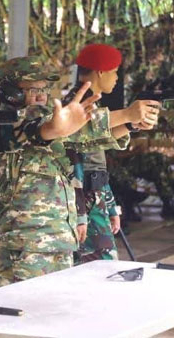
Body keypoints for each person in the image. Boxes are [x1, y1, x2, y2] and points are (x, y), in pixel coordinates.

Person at [0, 55, 124, 285]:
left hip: (59, 238)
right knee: (24, 307)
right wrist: (127, 115)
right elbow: (41, 128)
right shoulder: (3, 125)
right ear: (11, 93)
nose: (41, 96)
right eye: (33, 89)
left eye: (45, 89)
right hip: (25, 243)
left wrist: (129, 123)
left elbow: (84, 139)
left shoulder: (49, 120)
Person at [67, 43, 160, 263]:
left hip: (93, 195)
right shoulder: (76, 105)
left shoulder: (92, 103)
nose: (117, 78)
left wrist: (131, 124)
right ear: (100, 72)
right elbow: (75, 152)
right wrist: (127, 115)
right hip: (81, 199)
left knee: (96, 268)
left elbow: (97, 147)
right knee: (100, 269)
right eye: (114, 71)